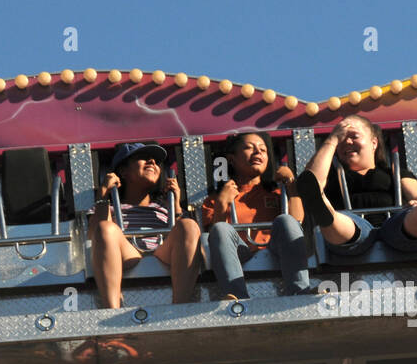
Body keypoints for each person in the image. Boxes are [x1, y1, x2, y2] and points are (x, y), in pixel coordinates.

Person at [292, 115, 417, 258]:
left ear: (374, 143)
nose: (347, 142)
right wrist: (332, 140)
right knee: (343, 219)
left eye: (354, 136)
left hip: (395, 225)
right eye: (341, 138)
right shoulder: (332, 177)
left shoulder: (394, 172)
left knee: (409, 216)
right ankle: (324, 210)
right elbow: (312, 179)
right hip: (350, 232)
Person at [89, 142, 202, 307]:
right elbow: (94, 236)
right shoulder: (109, 207)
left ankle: (180, 308)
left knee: (189, 225)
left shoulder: (165, 208)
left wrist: (176, 204)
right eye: (143, 158)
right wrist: (103, 195)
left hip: (163, 252)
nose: (152, 162)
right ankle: (111, 309)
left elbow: (186, 240)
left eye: (156, 161)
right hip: (127, 254)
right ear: (123, 171)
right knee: (106, 228)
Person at [202, 132, 311, 299]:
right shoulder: (216, 198)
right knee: (221, 229)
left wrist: (291, 184)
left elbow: (296, 222)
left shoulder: (277, 193)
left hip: (273, 248)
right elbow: (215, 239)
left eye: (263, 150)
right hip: (239, 251)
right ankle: (236, 297)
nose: (257, 153)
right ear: (232, 159)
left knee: (285, 219)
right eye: (249, 148)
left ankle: (301, 292)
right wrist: (222, 203)